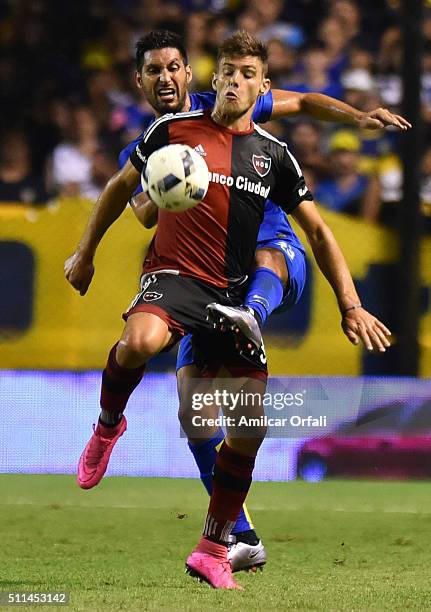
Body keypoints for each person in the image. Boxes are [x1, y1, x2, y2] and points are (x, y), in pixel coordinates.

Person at [65, 31, 392, 590]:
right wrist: (165, 180)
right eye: (153, 72)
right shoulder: (159, 137)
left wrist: (358, 117)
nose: (165, 78)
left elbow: (306, 102)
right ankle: (233, 535)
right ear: (141, 82)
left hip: (258, 265)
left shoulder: (256, 123)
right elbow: (141, 207)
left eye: (173, 67)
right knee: (196, 418)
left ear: (192, 73)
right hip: (190, 278)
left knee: (246, 392)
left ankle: (252, 316)